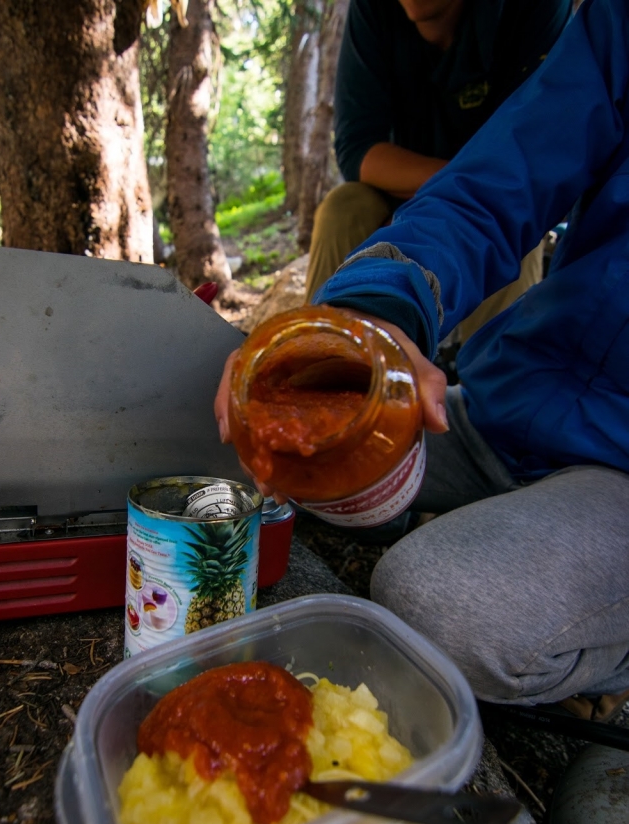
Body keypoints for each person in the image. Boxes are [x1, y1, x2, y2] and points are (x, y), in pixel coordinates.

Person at [216, 0, 629, 718]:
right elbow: (499, 181)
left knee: (435, 600)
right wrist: (375, 307)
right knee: (268, 443)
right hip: (519, 397)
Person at [304, 0, 571, 347]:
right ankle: (313, 355)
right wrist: (455, 182)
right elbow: (357, 148)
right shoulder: (373, 12)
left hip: (500, 192)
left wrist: (473, 192)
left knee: (518, 229)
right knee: (342, 207)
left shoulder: (530, 12)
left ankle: (486, 385)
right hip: (406, 190)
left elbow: (540, 149)